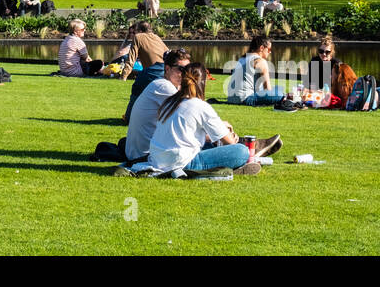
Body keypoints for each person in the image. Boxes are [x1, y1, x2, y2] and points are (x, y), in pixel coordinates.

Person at [117, 63, 272, 178]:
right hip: (180, 161)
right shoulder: (200, 105)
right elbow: (230, 143)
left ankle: (235, 162)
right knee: (241, 151)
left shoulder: (169, 102)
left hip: (157, 158)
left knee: (211, 144)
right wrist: (230, 136)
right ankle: (241, 161)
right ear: (202, 84)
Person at [115, 21, 172, 120]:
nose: (134, 34)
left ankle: (129, 116)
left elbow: (131, 58)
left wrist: (123, 76)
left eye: (135, 31)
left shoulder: (139, 37)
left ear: (140, 31)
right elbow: (169, 54)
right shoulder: (156, 37)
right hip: (165, 70)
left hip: (152, 71)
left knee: (137, 89)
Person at [227, 35, 281, 106]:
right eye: (269, 49)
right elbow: (267, 89)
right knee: (279, 93)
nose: (270, 52)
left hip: (231, 99)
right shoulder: (260, 61)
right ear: (262, 48)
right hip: (245, 99)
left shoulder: (242, 59)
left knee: (276, 89)